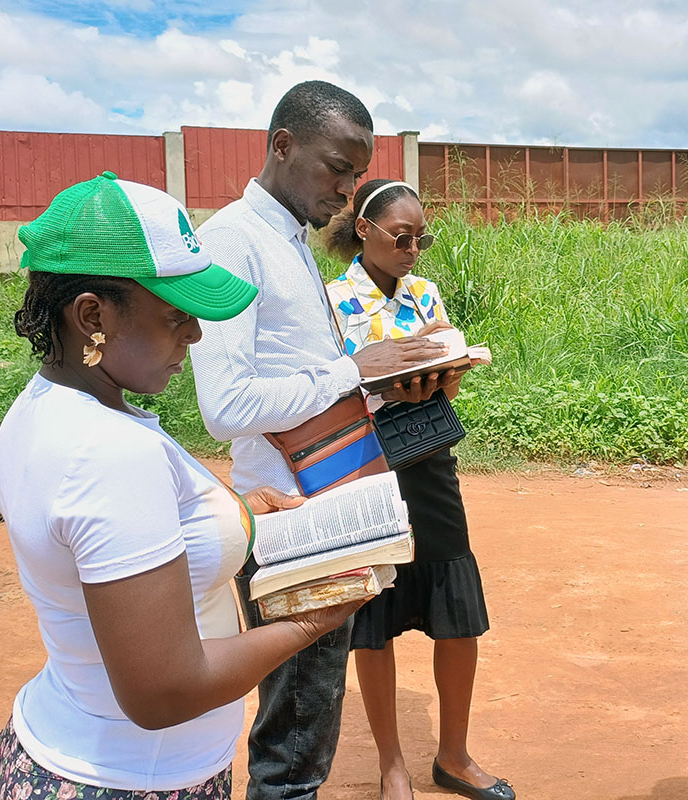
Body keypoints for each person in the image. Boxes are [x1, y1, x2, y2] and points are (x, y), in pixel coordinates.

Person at [0, 171, 365, 800]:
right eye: (175, 317)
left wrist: (236, 515)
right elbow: (165, 691)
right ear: (93, 316)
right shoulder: (110, 452)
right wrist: (314, 622)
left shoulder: (43, 409)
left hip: (72, 751)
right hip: (131, 781)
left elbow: (107, 542)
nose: (194, 334)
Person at [189, 82, 447, 800]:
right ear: (283, 145)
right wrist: (350, 370)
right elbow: (226, 404)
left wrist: (389, 383)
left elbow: (308, 381)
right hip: (286, 520)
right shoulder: (233, 241)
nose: (347, 189)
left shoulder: (289, 242)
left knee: (309, 727)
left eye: (357, 173)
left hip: (330, 503)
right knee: (292, 743)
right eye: (338, 167)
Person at [322, 178, 515, 800]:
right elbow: (324, 390)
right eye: (401, 238)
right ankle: (392, 767)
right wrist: (380, 387)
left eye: (420, 239)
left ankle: (453, 757)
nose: (412, 250)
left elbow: (447, 377)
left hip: (428, 456)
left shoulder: (424, 294)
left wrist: (438, 381)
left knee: (456, 603)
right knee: (373, 610)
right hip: (363, 462)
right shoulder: (329, 302)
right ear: (364, 231)